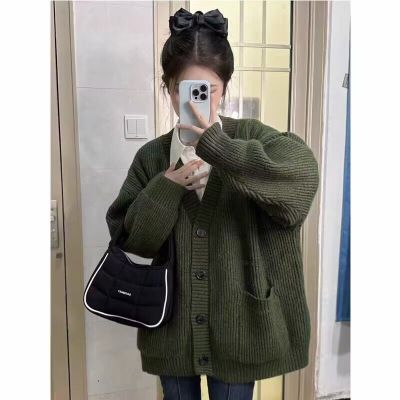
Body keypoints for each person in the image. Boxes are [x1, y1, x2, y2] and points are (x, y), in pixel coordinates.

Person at [105, 7, 320, 400]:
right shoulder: (152, 158)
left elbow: (300, 182)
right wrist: (166, 188)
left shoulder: (254, 137)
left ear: (224, 88)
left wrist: (218, 148)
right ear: (168, 89)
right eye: (181, 90)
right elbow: (131, 241)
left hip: (242, 327)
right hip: (171, 333)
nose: (192, 101)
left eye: (208, 90)